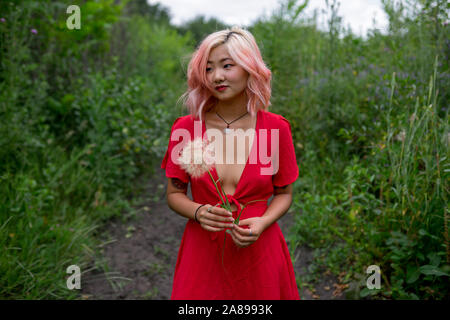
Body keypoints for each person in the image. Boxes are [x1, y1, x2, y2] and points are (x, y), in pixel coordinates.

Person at [161, 26, 300, 300]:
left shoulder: (275, 129)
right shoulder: (186, 129)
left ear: (250, 67)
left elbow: (284, 194)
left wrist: (262, 222)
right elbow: (174, 194)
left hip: (259, 250)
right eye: (209, 68)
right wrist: (199, 211)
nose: (217, 76)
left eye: (227, 65)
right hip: (202, 251)